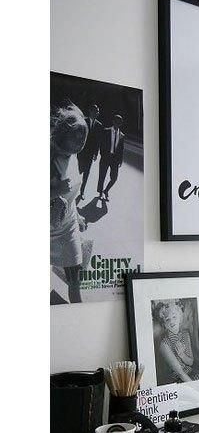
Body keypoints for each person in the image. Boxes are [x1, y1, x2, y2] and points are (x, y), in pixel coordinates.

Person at [51, 103, 89, 303]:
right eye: (77, 136)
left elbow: (71, 192)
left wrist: (78, 214)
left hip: (68, 228)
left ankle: (79, 313)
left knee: (75, 282)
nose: (82, 141)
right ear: (64, 135)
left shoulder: (73, 156)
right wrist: (54, 191)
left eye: (84, 136)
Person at [153, 299, 199, 384]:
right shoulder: (164, 344)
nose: (171, 321)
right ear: (165, 324)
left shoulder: (186, 334)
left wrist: (182, 354)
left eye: (174, 317)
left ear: (179, 318)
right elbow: (180, 373)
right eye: (167, 319)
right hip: (177, 380)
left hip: (190, 373)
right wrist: (194, 386)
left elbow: (190, 362)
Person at [97, 113, 125, 201]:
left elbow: (121, 149)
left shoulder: (122, 135)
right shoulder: (106, 131)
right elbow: (101, 144)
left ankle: (106, 190)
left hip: (115, 160)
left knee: (114, 178)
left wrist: (120, 160)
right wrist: (102, 154)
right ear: (113, 122)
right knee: (102, 176)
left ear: (121, 124)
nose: (117, 124)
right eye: (116, 122)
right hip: (106, 157)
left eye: (119, 123)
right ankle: (100, 192)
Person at [77, 103, 102, 200]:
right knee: (78, 171)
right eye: (95, 111)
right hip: (81, 152)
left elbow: (98, 141)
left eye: (98, 112)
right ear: (90, 111)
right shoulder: (83, 121)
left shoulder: (99, 125)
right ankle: (74, 189)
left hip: (90, 154)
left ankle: (82, 192)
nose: (97, 113)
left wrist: (96, 153)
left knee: (86, 173)